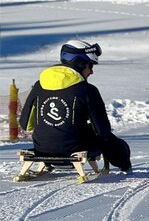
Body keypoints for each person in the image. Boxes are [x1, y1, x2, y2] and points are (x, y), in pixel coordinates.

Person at [19, 39, 132, 173]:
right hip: (76, 149)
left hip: (41, 148)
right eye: (90, 66)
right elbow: (103, 132)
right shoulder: (87, 90)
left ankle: (49, 162)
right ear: (79, 63)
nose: (91, 72)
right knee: (112, 141)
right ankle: (125, 167)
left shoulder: (38, 85)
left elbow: (24, 124)